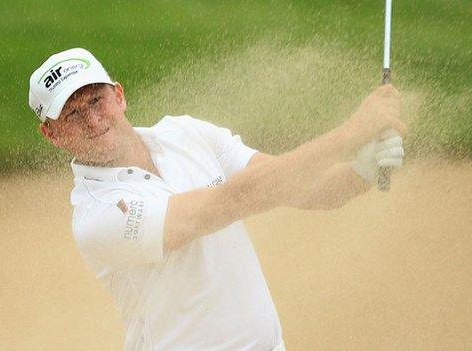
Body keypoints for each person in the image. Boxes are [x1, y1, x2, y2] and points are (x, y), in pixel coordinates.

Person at [28, 48, 406, 350]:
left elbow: (293, 186)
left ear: (119, 95)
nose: (93, 121)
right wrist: (348, 135)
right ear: (52, 134)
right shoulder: (98, 217)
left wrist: (361, 172)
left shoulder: (186, 133)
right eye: (73, 114)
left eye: (96, 100)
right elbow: (227, 203)